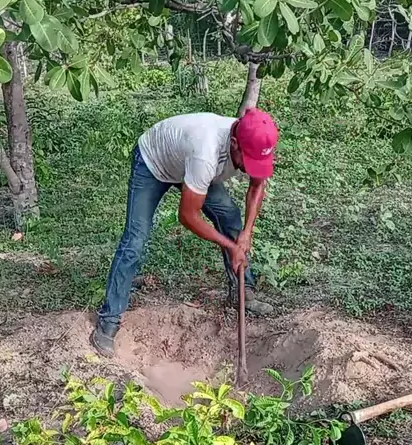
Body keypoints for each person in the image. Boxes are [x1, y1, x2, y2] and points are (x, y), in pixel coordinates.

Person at [92, 107, 280, 357]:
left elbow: (257, 186)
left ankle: (243, 291)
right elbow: (188, 216)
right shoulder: (206, 152)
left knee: (231, 217)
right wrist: (231, 246)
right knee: (135, 240)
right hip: (154, 162)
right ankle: (109, 319)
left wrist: (247, 233)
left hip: (190, 166)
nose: (252, 169)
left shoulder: (254, 142)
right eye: (249, 162)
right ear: (235, 144)